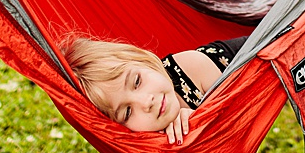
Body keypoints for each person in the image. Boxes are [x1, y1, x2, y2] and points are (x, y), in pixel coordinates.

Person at [65, 36, 248, 144]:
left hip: (256, 54)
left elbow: (238, 127)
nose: (146, 103)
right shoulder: (145, 137)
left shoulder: (192, 67)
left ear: (142, 60)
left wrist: (198, 119)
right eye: (127, 112)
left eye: (137, 82)